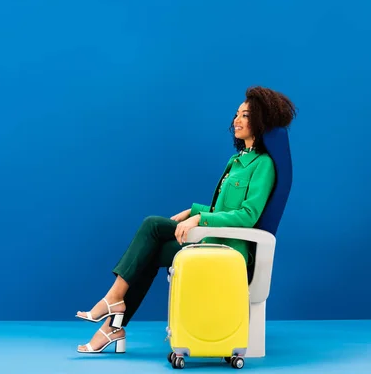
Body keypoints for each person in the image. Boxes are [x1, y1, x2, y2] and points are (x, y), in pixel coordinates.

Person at [75, 86, 297, 353]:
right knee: (151, 248)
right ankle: (113, 324)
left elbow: (248, 216)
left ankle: (113, 305)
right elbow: (221, 208)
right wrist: (192, 211)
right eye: (236, 114)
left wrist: (198, 218)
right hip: (214, 240)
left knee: (153, 225)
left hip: (230, 250)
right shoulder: (237, 160)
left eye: (246, 115)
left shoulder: (263, 165)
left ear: (261, 122)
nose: (237, 120)